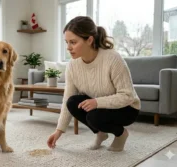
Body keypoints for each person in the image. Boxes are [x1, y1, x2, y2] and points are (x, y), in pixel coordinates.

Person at [47, 16, 140, 152]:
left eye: (73, 42)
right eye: (66, 42)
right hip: (99, 105)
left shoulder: (113, 58)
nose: (68, 48)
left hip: (127, 108)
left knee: (94, 117)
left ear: (89, 40)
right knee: (72, 102)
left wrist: (97, 102)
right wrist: (58, 131)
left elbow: (127, 96)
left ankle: (121, 134)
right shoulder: (72, 65)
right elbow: (67, 99)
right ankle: (101, 134)